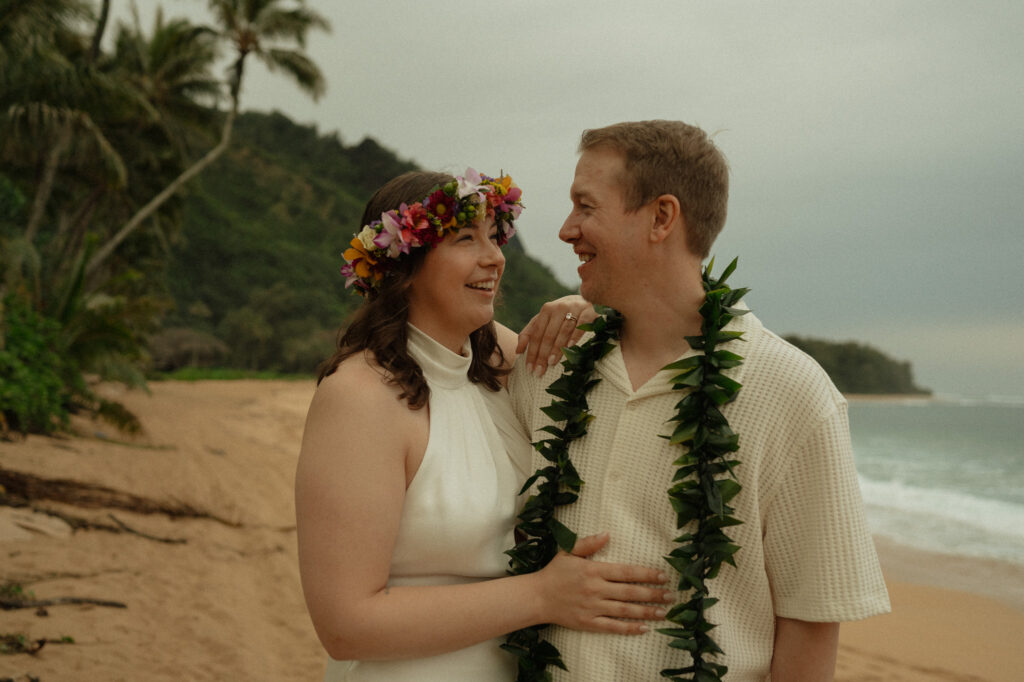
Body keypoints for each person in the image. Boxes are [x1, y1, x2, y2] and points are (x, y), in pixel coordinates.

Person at [508, 121, 891, 681]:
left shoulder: (793, 393)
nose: (567, 229)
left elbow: (811, 622)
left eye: (586, 206)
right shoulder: (548, 360)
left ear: (662, 217)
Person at [294, 168, 672, 682]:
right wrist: (542, 596)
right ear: (405, 264)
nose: (494, 257)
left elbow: (626, 372)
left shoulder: (496, 360)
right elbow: (346, 625)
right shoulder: (358, 398)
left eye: (495, 236)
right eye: (465, 238)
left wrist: (588, 310)